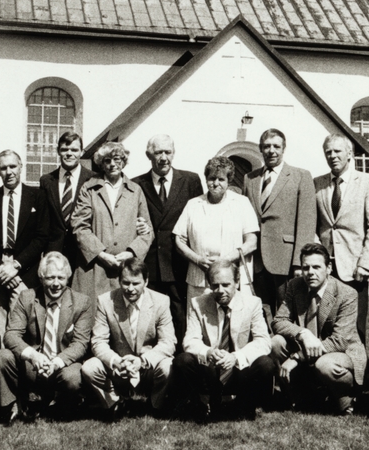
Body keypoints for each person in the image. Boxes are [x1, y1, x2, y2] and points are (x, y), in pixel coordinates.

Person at [0, 252, 93, 424]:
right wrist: (33, 355)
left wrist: (56, 363)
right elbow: (11, 335)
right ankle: (11, 406)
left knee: (74, 377)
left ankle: (61, 405)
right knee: (2, 357)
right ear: (41, 278)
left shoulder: (82, 302)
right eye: (50, 278)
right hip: (33, 365)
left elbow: (80, 344)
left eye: (60, 278)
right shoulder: (27, 297)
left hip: (62, 366)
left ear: (68, 278)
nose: (56, 284)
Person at [172, 258, 277, 421]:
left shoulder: (252, 303)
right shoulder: (198, 303)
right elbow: (190, 340)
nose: (220, 290)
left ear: (237, 282)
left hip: (239, 371)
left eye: (226, 285)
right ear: (209, 284)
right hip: (210, 370)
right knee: (183, 360)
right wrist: (208, 352)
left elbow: (263, 341)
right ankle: (201, 403)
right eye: (215, 285)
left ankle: (244, 405)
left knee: (265, 364)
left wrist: (235, 357)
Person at [271, 243, 364, 415]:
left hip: (340, 352)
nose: (310, 272)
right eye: (306, 267)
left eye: (316, 267)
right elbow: (278, 321)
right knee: (276, 342)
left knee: (324, 365)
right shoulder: (294, 285)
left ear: (328, 268)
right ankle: (298, 397)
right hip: (308, 347)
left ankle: (345, 397)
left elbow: (340, 341)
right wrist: (303, 334)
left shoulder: (347, 294)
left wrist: (298, 357)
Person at [81, 256, 177, 418]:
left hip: (147, 367)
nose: (130, 288)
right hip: (119, 366)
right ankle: (114, 403)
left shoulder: (161, 301)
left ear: (146, 282)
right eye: (126, 283)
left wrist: (143, 361)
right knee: (89, 368)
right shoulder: (105, 302)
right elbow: (98, 342)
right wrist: (116, 361)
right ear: (119, 281)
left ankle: (155, 404)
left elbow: (168, 342)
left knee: (168, 366)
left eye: (136, 283)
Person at [0, 150, 55, 334]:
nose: (8, 171)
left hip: (24, 272)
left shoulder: (37, 196)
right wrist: (1, 268)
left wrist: (16, 265)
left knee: (26, 327)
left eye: (12, 166)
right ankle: (1, 362)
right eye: (3, 168)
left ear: (20, 167)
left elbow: (41, 237)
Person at [314, 133, 369, 345]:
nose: (333, 156)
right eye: (328, 152)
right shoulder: (317, 184)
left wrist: (365, 263)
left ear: (349, 153)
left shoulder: (367, 182)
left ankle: (357, 372)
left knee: (355, 325)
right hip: (326, 267)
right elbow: (315, 224)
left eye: (337, 151)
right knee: (325, 321)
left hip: (354, 266)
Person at [133, 134, 204, 343]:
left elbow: (197, 218)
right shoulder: (137, 184)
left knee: (180, 315)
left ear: (174, 153)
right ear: (149, 155)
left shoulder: (190, 181)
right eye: (158, 152)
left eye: (168, 152)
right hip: (151, 263)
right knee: (150, 316)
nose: (163, 157)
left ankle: (180, 362)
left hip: (179, 262)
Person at [242, 128, 316, 322]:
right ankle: (267, 347)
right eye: (266, 146)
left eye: (276, 146)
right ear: (260, 149)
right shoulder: (250, 179)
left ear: (284, 149)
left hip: (285, 258)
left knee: (288, 310)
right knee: (260, 310)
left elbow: (306, 222)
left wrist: (300, 262)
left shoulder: (301, 176)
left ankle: (290, 348)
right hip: (256, 259)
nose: (271, 151)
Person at [70, 141, 153, 298]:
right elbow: (79, 226)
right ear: (101, 164)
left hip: (126, 270)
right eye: (107, 160)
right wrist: (101, 254)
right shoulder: (89, 188)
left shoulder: (135, 191)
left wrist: (130, 253)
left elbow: (147, 231)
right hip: (95, 268)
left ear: (124, 161)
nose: (112, 164)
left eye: (117, 159)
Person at [173, 156, 259, 306]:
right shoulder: (193, 204)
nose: (216, 183)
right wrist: (198, 260)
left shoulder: (241, 203)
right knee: (200, 320)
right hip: (199, 278)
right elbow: (179, 240)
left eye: (221, 179)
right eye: (212, 178)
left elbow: (252, 242)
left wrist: (226, 259)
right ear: (206, 179)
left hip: (232, 278)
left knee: (233, 322)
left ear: (229, 181)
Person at [37, 131, 92, 272]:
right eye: (64, 149)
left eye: (74, 150)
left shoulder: (93, 179)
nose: (69, 153)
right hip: (54, 252)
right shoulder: (46, 181)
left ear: (81, 152)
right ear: (58, 151)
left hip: (83, 252)